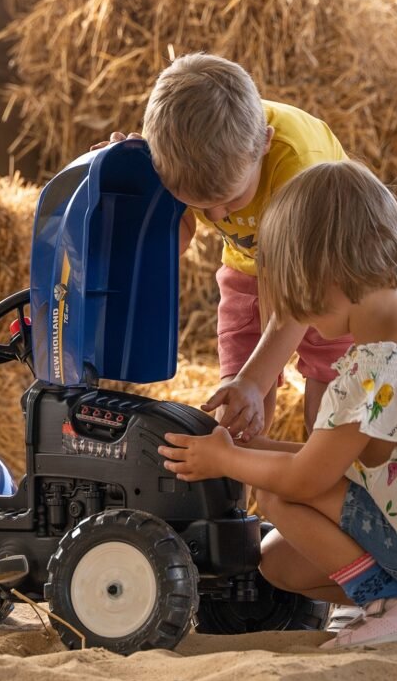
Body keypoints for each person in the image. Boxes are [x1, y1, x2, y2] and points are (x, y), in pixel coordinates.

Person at [158, 159, 397, 648]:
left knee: (280, 497)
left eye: (295, 300)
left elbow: (305, 480)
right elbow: (352, 464)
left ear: (325, 279)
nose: (296, 318)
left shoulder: (375, 371)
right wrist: (258, 446)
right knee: (280, 561)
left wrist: (227, 460)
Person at [98, 53, 351, 439]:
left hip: (327, 270)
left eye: (231, 201)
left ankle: (322, 482)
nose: (216, 218)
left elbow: (301, 297)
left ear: (264, 144)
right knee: (237, 402)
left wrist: (255, 380)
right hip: (248, 268)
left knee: (328, 387)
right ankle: (245, 493)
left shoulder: (300, 166)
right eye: (199, 205)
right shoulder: (180, 157)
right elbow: (175, 242)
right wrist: (138, 191)